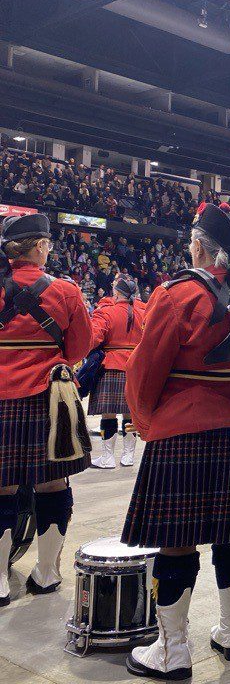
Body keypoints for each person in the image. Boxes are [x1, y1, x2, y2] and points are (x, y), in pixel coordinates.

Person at [121, 203, 230, 678]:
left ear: (199, 245)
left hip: (182, 432)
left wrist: (145, 425)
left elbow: (144, 373)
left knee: (176, 542)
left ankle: (173, 650)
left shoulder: (175, 295)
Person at [0, 213, 92, 607]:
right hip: (48, 401)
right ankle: (47, 572)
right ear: (40, 247)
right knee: (54, 484)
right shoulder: (66, 291)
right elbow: (78, 349)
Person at [87, 274, 146, 468]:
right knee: (130, 414)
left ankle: (108, 458)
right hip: (136, 367)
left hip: (111, 366)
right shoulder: (145, 310)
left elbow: (94, 338)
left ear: (117, 292)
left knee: (108, 414)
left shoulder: (106, 311)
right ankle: (128, 457)